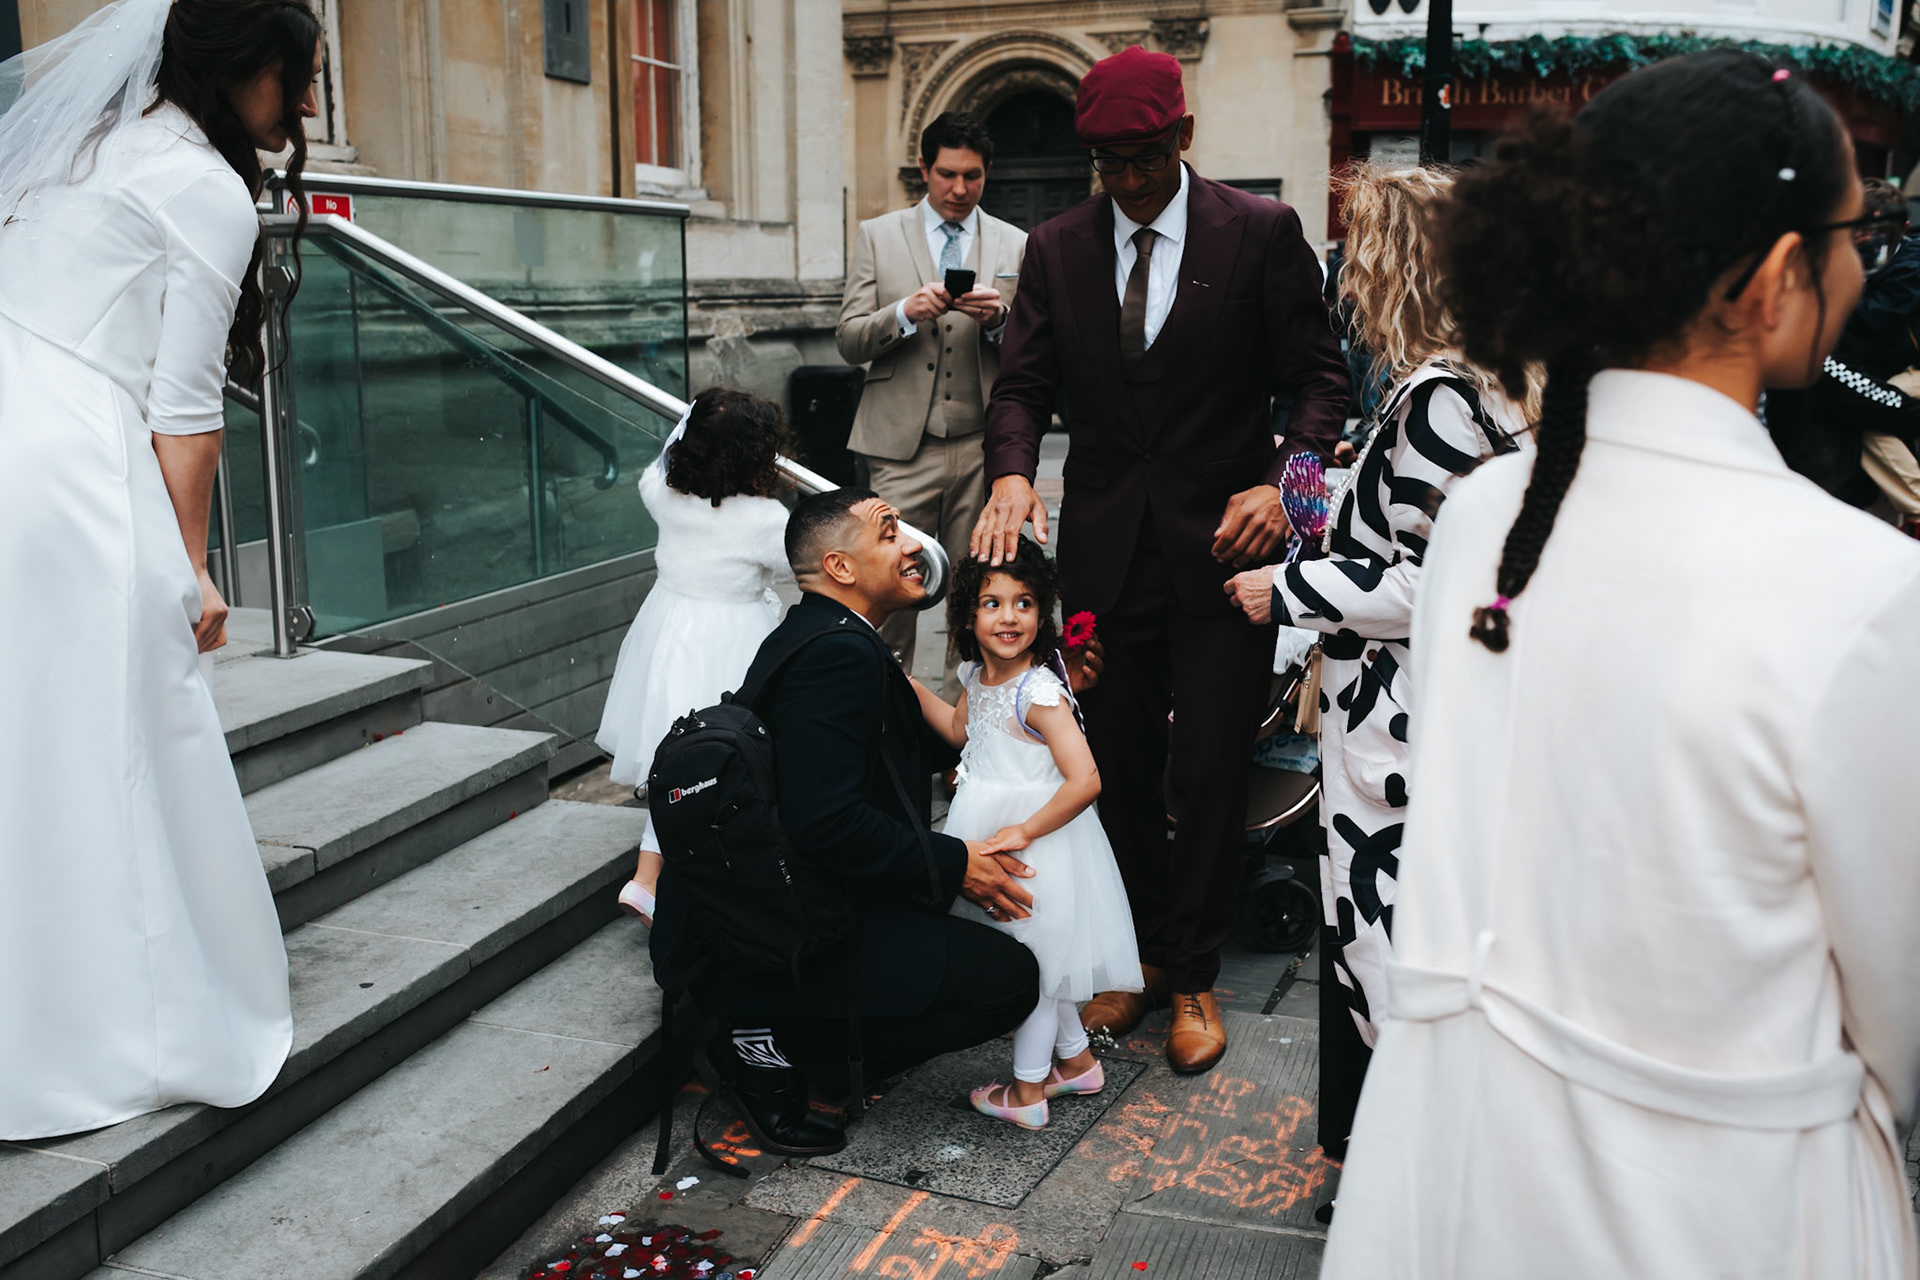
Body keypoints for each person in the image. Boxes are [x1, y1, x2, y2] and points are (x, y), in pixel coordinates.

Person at [1322, 51, 1920, 1277]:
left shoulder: (1489, 516)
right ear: (1774, 278)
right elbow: (1901, 1016)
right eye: (1857, 234)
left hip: (1467, 1174)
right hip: (1728, 1207)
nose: (1868, 267)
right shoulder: (1863, 589)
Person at [972, 44, 1350, 1074]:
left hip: (1226, 552)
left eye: (1144, 157)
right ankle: (1134, 956)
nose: (1129, 180)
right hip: (1103, 555)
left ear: (1183, 135)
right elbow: (1021, 388)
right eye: (1108, 163)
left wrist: (1287, 486)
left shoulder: (1260, 231)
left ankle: (1194, 975)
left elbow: (1321, 384)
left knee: (1212, 765)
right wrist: (1011, 473)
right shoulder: (1057, 247)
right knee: (1115, 762)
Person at [0, 0, 322, 1140]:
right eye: (297, 75)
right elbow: (184, 410)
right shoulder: (200, 184)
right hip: (64, 466)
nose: (306, 104)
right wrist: (191, 568)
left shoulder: (87, 146)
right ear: (245, 65)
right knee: (108, 736)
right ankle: (109, 1027)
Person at [1224, 161, 1535, 1175]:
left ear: (1398, 265)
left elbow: (1433, 577)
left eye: (1358, 253)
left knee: (1392, 960)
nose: (1345, 277)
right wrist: (1336, 485)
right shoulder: (1488, 379)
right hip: (1432, 718)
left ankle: (1422, 1178)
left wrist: (1290, 589)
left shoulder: (1441, 396)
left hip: (1400, 727)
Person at [649, 488, 1042, 1153]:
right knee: (1009, 982)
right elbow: (826, 822)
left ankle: (807, 1038)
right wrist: (957, 867)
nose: (913, 545)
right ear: (840, 567)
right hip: (789, 929)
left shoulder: (825, 632)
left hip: (801, 901)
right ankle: (770, 1048)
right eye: (889, 533)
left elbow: (922, 747)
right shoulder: (836, 655)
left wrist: (1025, 682)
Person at [906, 538, 1141, 1129]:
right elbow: (960, 731)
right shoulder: (978, 678)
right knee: (1042, 960)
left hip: (1039, 844)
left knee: (1034, 967)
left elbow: (1086, 779)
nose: (1009, 617)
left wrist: (1025, 829)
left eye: (1024, 603)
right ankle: (1077, 1064)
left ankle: (1028, 1092)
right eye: (992, 603)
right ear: (968, 617)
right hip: (993, 829)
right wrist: (909, 686)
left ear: (1042, 613)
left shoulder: (1038, 692)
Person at [836, 112, 1027, 691]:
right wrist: (902, 313)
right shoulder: (877, 234)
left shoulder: (1016, 242)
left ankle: (962, 725)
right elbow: (848, 340)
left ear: (987, 173)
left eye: (973, 176)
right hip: (900, 447)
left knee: (975, 590)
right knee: (889, 585)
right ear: (923, 168)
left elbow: (1035, 350)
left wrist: (1000, 321)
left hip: (981, 444)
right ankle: (888, 715)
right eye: (947, 174)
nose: (960, 189)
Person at [595, 387, 795, 925]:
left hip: (668, 635)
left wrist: (686, 428)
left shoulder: (663, 494)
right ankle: (659, 879)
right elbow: (796, 561)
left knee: (681, 757)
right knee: (723, 757)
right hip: (732, 642)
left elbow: (656, 467)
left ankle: (655, 877)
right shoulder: (765, 518)